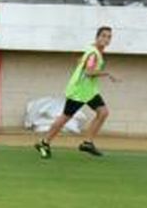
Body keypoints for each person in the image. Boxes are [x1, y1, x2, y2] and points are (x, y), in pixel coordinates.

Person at [36, 26, 117, 158]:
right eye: (103, 36)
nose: (106, 39)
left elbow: (81, 62)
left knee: (103, 112)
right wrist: (107, 73)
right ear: (97, 37)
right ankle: (44, 143)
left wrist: (83, 63)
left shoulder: (93, 50)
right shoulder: (93, 53)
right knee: (65, 117)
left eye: (109, 37)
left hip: (89, 92)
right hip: (79, 92)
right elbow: (89, 72)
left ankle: (87, 143)